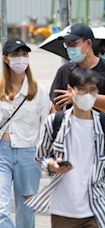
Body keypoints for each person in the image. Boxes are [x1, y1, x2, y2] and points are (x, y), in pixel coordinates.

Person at [25, 68, 105, 228]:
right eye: (82, 90)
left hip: (96, 207)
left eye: (92, 90)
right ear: (70, 90)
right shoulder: (54, 123)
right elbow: (40, 157)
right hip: (62, 209)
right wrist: (51, 165)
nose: (87, 95)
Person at [0, 39, 50, 228]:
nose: (21, 59)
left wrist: (45, 157)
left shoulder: (39, 91)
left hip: (28, 153)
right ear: (6, 59)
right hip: (1, 151)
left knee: (26, 210)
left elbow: (46, 126)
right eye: (15, 55)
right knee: (1, 209)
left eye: (24, 54)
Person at [49, 23, 105, 115]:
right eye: (66, 44)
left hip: (102, 127)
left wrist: (79, 97)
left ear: (88, 43)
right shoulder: (64, 71)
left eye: (73, 44)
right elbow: (55, 106)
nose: (69, 48)